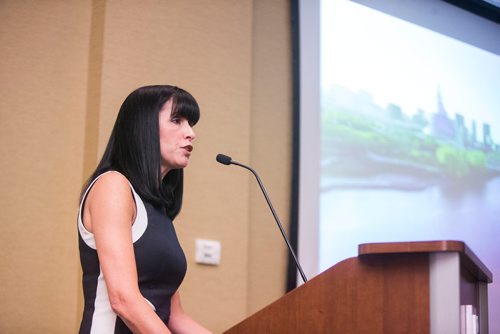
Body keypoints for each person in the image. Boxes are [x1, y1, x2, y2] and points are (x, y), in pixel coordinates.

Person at [77, 85, 212, 333]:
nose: (191, 133)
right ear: (143, 127)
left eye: (190, 123)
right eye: (177, 120)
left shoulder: (159, 212)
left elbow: (175, 316)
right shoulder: (112, 186)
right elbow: (123, 300)